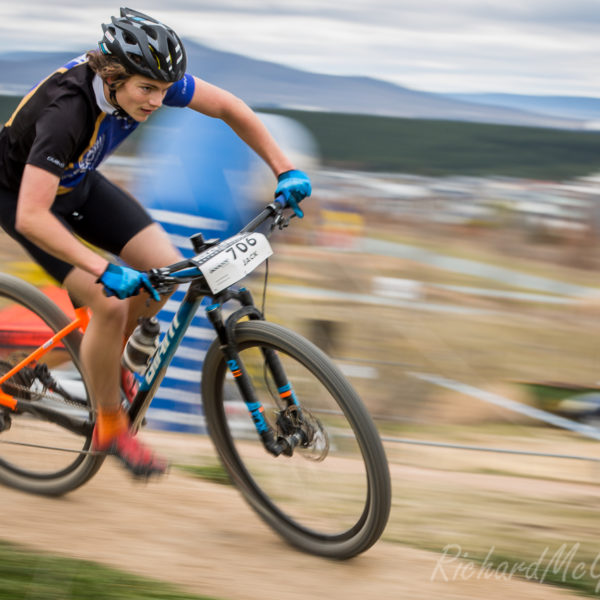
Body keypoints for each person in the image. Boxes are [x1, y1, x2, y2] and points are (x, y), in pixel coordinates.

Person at [0, 7, 311, 478]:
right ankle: (109, 424)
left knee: (168, 271)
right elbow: (32, 215)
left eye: (164, 91)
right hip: (24, 199)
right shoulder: (67, 111)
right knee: (106, 302)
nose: (156, 101)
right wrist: (104, 270)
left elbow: (229, 108)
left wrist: (283, 168)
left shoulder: (151, 82)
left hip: (77, 184)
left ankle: (108, 366)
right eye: (147, 90)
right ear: (112, 76)